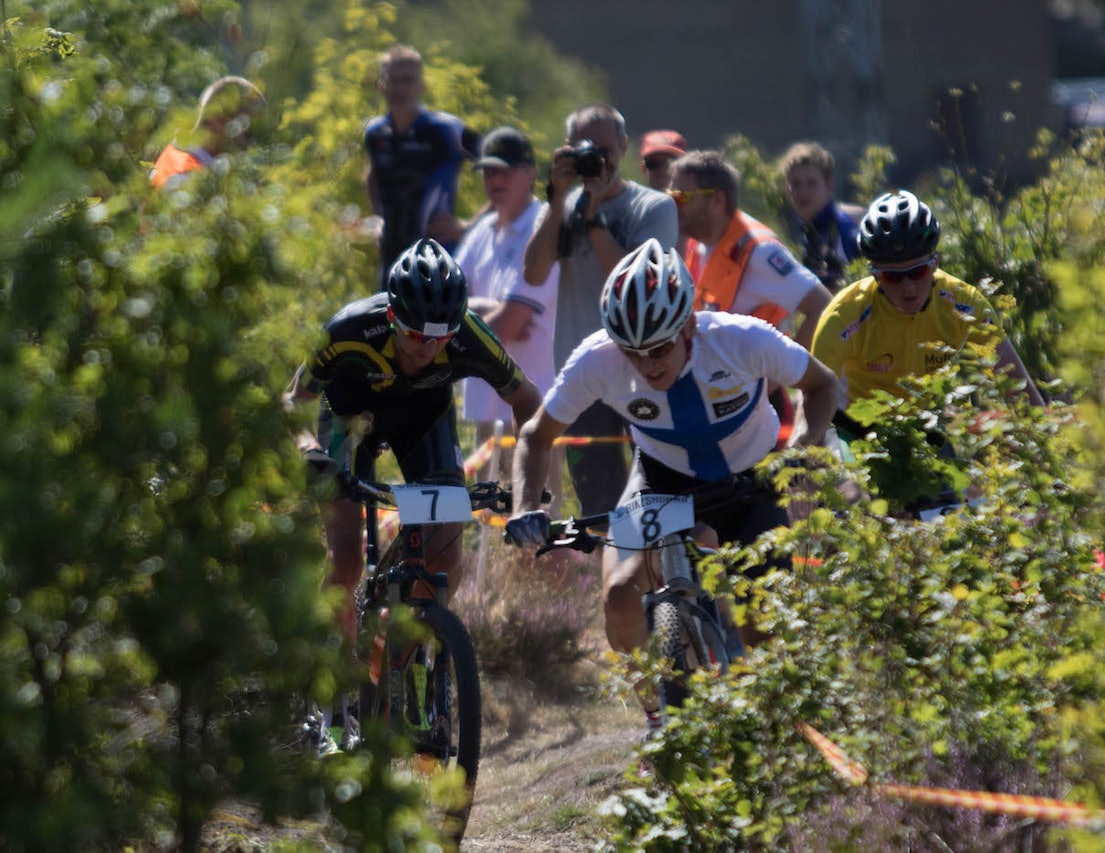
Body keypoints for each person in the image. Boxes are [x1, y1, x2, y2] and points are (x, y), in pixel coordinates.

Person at [505, 239, 841, 733]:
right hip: (663, 480)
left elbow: (823, 384)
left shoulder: (743, 339)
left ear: (688, 326)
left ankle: (781, 732)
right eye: (633, 352)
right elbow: (536, 436)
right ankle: (658, 723)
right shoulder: (597, 359)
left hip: (752, 480)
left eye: (660, 347)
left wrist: (801, 452)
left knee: (764, 627)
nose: (648, 363)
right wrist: (525, 506)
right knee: (620, 597)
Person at [283, 239, 542, 752]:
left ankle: (411, 658)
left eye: (440, 339)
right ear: (391, 315)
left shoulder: (469, 336)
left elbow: (528, 402)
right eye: (415, 335)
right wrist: (309, 451)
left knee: (443, 559)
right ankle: (331, 705)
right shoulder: (349, 329)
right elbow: (292, 401)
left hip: (424, 422)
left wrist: (526, 487)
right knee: (346, 559)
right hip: (350, 420)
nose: (427, 349)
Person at [523, 104, 679, 516]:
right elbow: (534, 274)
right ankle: (609, 559)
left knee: (661, 497)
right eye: (585, 149)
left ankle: (658, 560)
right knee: (598, 504)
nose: (598, 160)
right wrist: (559, 200)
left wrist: (593, 219)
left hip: (645, 370)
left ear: (624, 146)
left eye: (605, 150)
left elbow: (637, 282)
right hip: (584, 375)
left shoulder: (654, 208)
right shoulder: (562, 207)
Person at [811, 189, 1046, 411]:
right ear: (875, 275)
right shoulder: (844, 314)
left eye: (918, 272)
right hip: (857, 427)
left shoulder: (963, 303)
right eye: (892, 276)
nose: (907, 286)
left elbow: (1017, 386)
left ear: (935, 264)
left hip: (929, 421)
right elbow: (813, 398)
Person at [454, 126, 559, 446]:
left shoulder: (543, 230)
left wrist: (465, 319)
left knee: (532, 483)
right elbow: (446, 301)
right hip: (486, 407)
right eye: (488, 171)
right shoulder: (483, 230)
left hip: (533, 408)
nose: (495, 180)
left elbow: (509, 324)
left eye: (505, 171)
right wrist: (488, 308)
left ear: (531, 173)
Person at [670, 150, 831, 349]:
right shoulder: (696, 244)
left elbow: (823, 306)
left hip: (760, 369)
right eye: (671, 195)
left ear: (717, 200)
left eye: (682, 197)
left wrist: (796, 366)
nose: (673, 204)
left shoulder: (759, 251)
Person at [364, 45, 481, 285]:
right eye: (393, 80)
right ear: (381, 85)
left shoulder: (446, 129)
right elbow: (372, 177)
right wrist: (379, 219)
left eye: (408, 80)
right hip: (392, 262)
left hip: (437, 264)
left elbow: (507, 166)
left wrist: (470, 227)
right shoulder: (376, 133)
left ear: (422, 85)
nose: (400, 88)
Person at [778, 141, 866, 294]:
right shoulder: (807, 230)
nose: (803, 191)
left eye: (811, 183)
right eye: (796, 184)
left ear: (829, 186)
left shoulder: (844, 228)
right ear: (786, 188)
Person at [149, 75, 267, 189]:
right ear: (218, 120)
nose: (253, 144)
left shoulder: (177, 156)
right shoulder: (185, 177)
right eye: (248, 131)